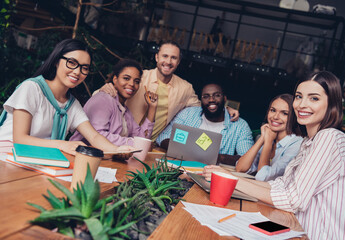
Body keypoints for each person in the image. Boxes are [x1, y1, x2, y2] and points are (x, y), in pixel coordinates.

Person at [204, 71, 345, 239]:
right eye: (299, 97)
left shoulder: (330, 137)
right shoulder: (309, 142)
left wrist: (231, 179)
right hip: (298, 232)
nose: (301, 104)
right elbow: (281, 184)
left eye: (314, 98)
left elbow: (293, 199)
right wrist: (225, 176)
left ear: (331, 105)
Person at [0, 39, 132, 158]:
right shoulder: (31, 88)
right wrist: (62, 145)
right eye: (72, 63)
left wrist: (117, 150)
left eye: (84, 68)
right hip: (7, 155)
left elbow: (94, 136)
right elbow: (20, 139)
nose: (77, 72)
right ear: (57, 61)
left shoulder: (72, 105)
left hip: (37, 160)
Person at [97, 41, 239, 141]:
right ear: (157, 57)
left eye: (173, 58)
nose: (168, 61)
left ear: (178, 62)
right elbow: (104, 94)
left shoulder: (185, 88)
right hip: (120, 138)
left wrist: (225, 108)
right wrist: (105, 89)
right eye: (165, 56)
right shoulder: (139, 77)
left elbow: (203, 106)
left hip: (151, 144)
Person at [156, 83, 253, 165]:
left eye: (217, 95)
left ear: (224, 99)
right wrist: (193, 153)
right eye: (206, 96)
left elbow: (248, 160)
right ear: (201, 100)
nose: (211, 99)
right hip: (178, 168)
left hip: (211, 177)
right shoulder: (187, 114)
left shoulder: (240, 126)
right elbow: (162, 138)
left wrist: (217, 158)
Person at [70, 59, 158, 146]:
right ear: (115, 79)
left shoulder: (126, 112)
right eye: (126, 78)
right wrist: (131, 143)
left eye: (137, 81)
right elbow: (98, 135)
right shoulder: (103, 99)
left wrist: (152, 108)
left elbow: (141, 139)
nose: (132, 84)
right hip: (79, 155)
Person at [233, 94, 303, 181]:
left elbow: (263, 178)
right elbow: (240, 168)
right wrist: (262, 139)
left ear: (294, 118)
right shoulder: (269, 136)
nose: (275, 117)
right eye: (273, 110)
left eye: (284, 113)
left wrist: (268, 142)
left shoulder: (297, 144)